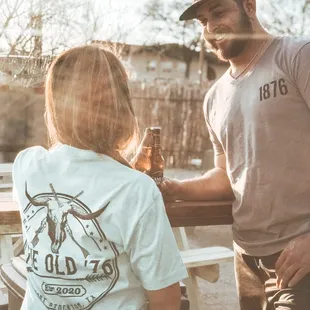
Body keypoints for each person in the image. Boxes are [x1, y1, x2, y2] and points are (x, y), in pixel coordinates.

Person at [12, 45, 188, 310]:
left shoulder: (26, 165)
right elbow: (167, 301)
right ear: (122, 107)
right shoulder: (136, 189)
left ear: (56, 105)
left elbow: (68, 159)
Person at [161, 0, 310, 309]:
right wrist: (175, 189)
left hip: (300, 255)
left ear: (249, 6)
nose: (210, 27)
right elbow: (227, 176)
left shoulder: (298, 55)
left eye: (218, 12)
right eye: (202, 21)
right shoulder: (214, 97)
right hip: (246, 258)